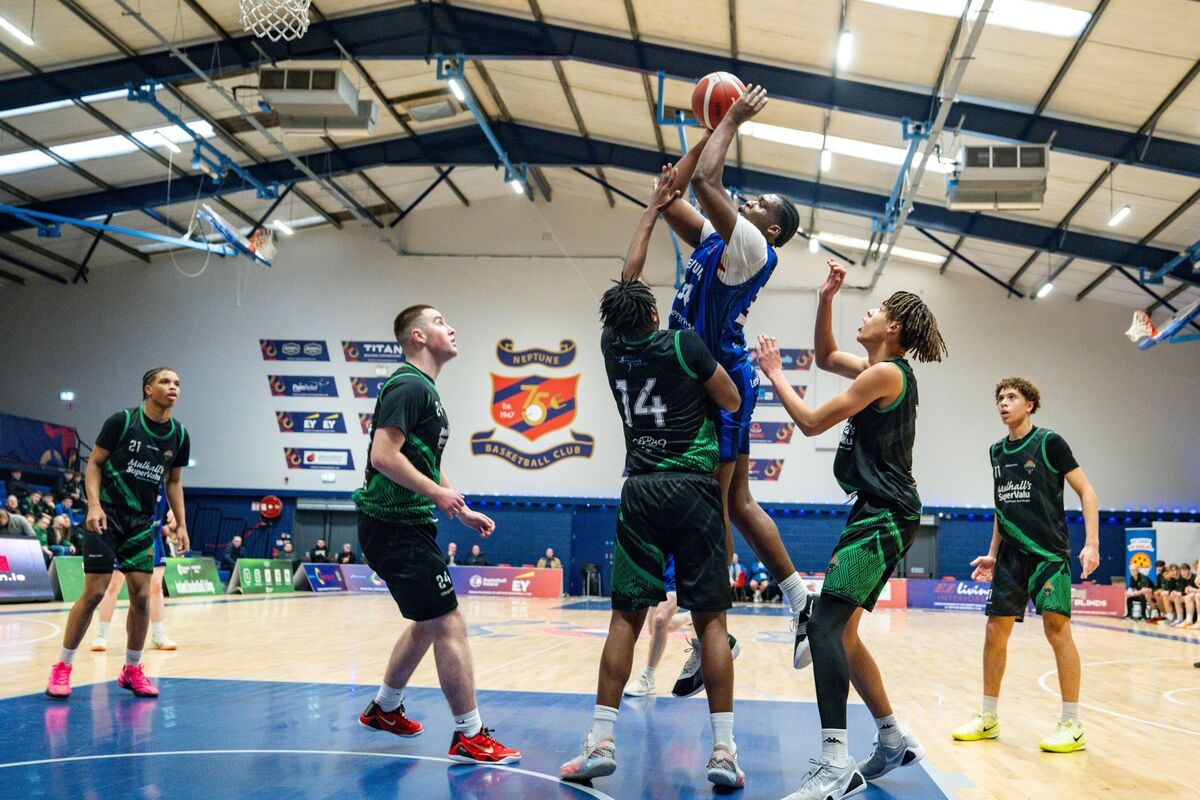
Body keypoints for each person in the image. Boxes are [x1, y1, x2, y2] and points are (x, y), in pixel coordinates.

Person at [559, 170, 745, 788]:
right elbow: (731, 402)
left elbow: (628, 278)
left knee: (624, 621)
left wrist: (650, 210)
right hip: (690, 489)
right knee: (711, 621)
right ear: (651, 312)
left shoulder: (615, 350)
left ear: (615, 320)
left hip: (637, 489)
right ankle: (722, 752)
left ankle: (599, 741)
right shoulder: (685, 344)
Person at [626, 85, 813, 679]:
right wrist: (707, 132)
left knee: (718, 503)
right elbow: (675, 192)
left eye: (761, 202)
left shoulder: (754, 248)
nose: (750, 201)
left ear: (774, 228)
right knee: (730, 502)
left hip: (719, 381)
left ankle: (734, 627)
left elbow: (707, 184)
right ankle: (789, 605)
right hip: (699, 379)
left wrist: (730, 117)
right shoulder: (715, 242)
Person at [758, 259, 947, 799]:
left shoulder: (888, 373)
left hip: (884, 514)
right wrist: (825, 298)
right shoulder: (876, 371)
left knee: (821, 626)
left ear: (893, 329)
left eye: (877, 309)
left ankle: (834, 760)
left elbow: (813, 421)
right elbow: (824, 356)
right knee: (841, 632)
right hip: (876, 511)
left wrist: (774, 374)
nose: (869, 311)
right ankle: (892, 738)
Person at [352, 303, 519, 764]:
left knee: (428, 622)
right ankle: (469, 733)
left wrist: (457, 506)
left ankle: (385, 707)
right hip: (392, 525)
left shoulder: (424, 389)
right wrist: (438, 496)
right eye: (441, 321)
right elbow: (386, 456)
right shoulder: (408, 384)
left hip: (409, 522)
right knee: (448, 620)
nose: (452, 327)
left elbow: (422, 460)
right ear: (418, 337)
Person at [953, 376, 1100, 755]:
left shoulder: (1049, 443)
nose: (1004, 402)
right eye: (1000, 397)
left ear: (1029, 404)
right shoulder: (996, 452)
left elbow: (1087, 491)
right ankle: (988, 716)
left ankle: (1072, 723)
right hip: (1011, 557)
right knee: (994, 632)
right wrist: (992, 553)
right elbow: (1003, 508)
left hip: (1049, 555)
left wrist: (1093, 543)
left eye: (1012, 397)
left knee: (1057, 631)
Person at [45, 367, 191, 700]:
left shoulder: (179, 435)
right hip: (106, 515)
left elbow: (174, 481)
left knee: (141, 596)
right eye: (165, 382)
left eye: (177, 383)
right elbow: (93, 463)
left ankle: (132, 670)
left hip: (141, 521)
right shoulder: (122, 422)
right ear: (148, 388)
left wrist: (181, 524)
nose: (173, 387)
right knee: (94, 592)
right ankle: (63, 667)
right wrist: (93, 505)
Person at [93, 502, 180, 652]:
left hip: (153, 533)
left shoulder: (165, 480)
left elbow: (173, 485)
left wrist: (174, 509)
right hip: (127, 532)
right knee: (114, 585)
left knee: (156, 586)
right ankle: (102, 635)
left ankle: (158, 636)